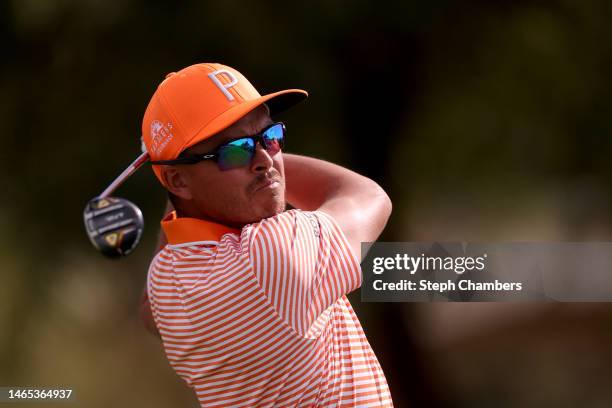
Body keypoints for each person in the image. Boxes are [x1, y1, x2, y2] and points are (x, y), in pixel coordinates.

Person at [139, 63, 393, 407]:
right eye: (235, 150)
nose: (265, 159)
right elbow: (367, 195)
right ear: (179, 182)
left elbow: (150, 313)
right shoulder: (270, 254)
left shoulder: (164, 280)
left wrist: (171, 170)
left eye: (270, 137)